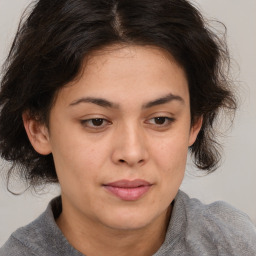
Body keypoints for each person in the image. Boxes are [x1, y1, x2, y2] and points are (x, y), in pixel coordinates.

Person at [0, 0, 255, 255]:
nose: (132, 153)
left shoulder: (235, 243)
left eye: (160, 119)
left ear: (194, 122)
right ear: (38, 129)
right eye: (96, 121)